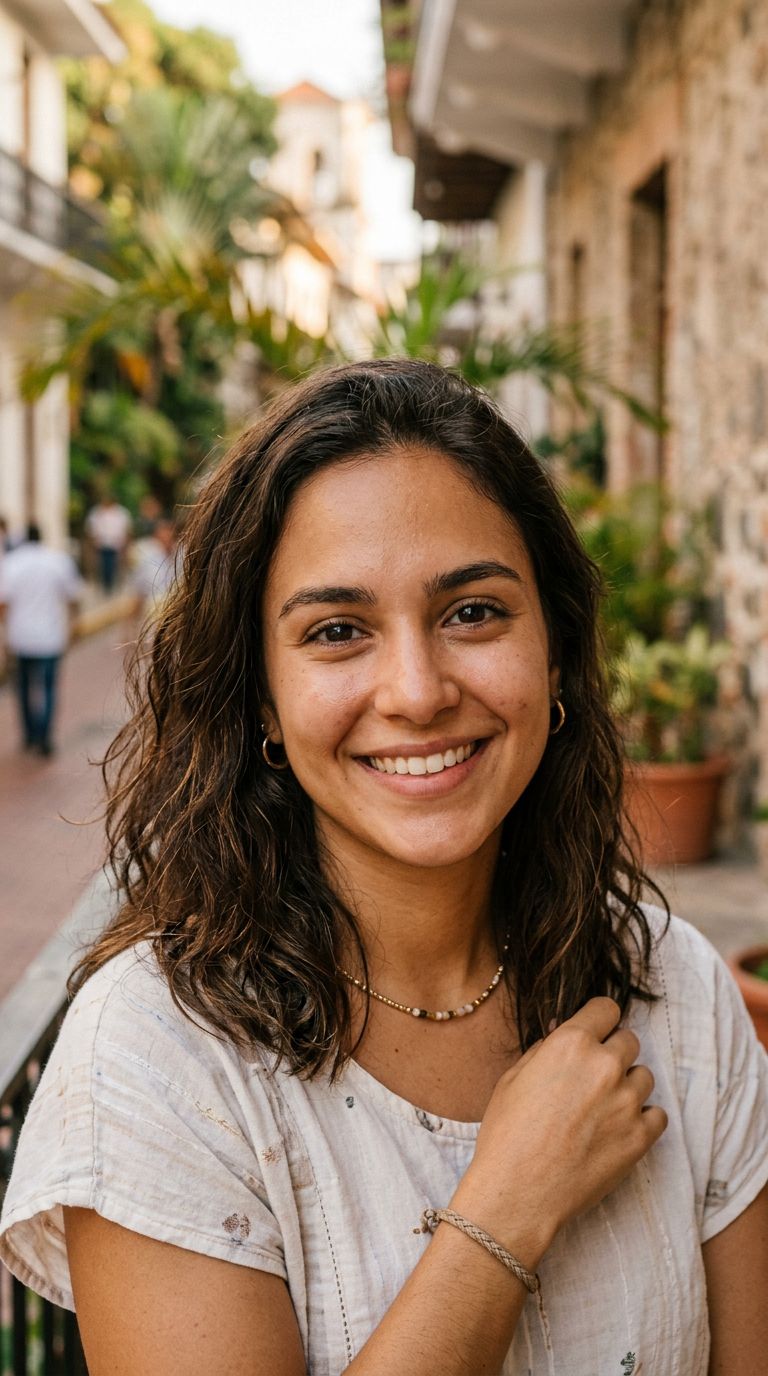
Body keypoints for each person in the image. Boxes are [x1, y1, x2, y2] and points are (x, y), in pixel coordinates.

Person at [1, 360, 766, 1375]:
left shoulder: (680, 994)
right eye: (337, 631)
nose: (415, 689)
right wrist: (504, 1210)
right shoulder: (156, 1059)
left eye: (473, 612)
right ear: (261, 697)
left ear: (555, 646)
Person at [0, 522, 83, 756]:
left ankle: (29, 735)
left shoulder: (11, 563)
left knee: (24, 687)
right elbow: (74, 597)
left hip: (20, 636)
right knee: (47, 687)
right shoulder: (58, 561)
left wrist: (5, 635)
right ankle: (44, 735)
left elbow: (3, 604)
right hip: (50, 636)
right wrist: (75, 624)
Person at [85, 492, 132, 593]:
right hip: (101, 545)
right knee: (103, 567)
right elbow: (91, 529)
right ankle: (104, 587)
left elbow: (127, 529)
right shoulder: (96, 512)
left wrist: (125, 544)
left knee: (115, 568)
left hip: (117, 545)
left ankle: (114, 588)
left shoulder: (121, 513)